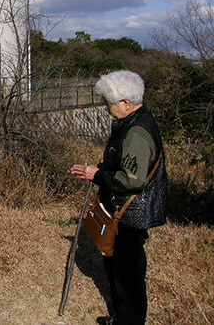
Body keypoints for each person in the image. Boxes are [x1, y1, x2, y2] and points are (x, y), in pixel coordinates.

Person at [70, 70, 167, 325]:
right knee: (119, 270)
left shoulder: (136, 133)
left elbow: (131, 180)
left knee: (128, 276)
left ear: (126, 102)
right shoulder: (134, 121)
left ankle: (129, 321)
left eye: (108, 103)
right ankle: (121, 318)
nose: (106, 107)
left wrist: (98, 175)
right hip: (124, 211)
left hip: (130, 213)